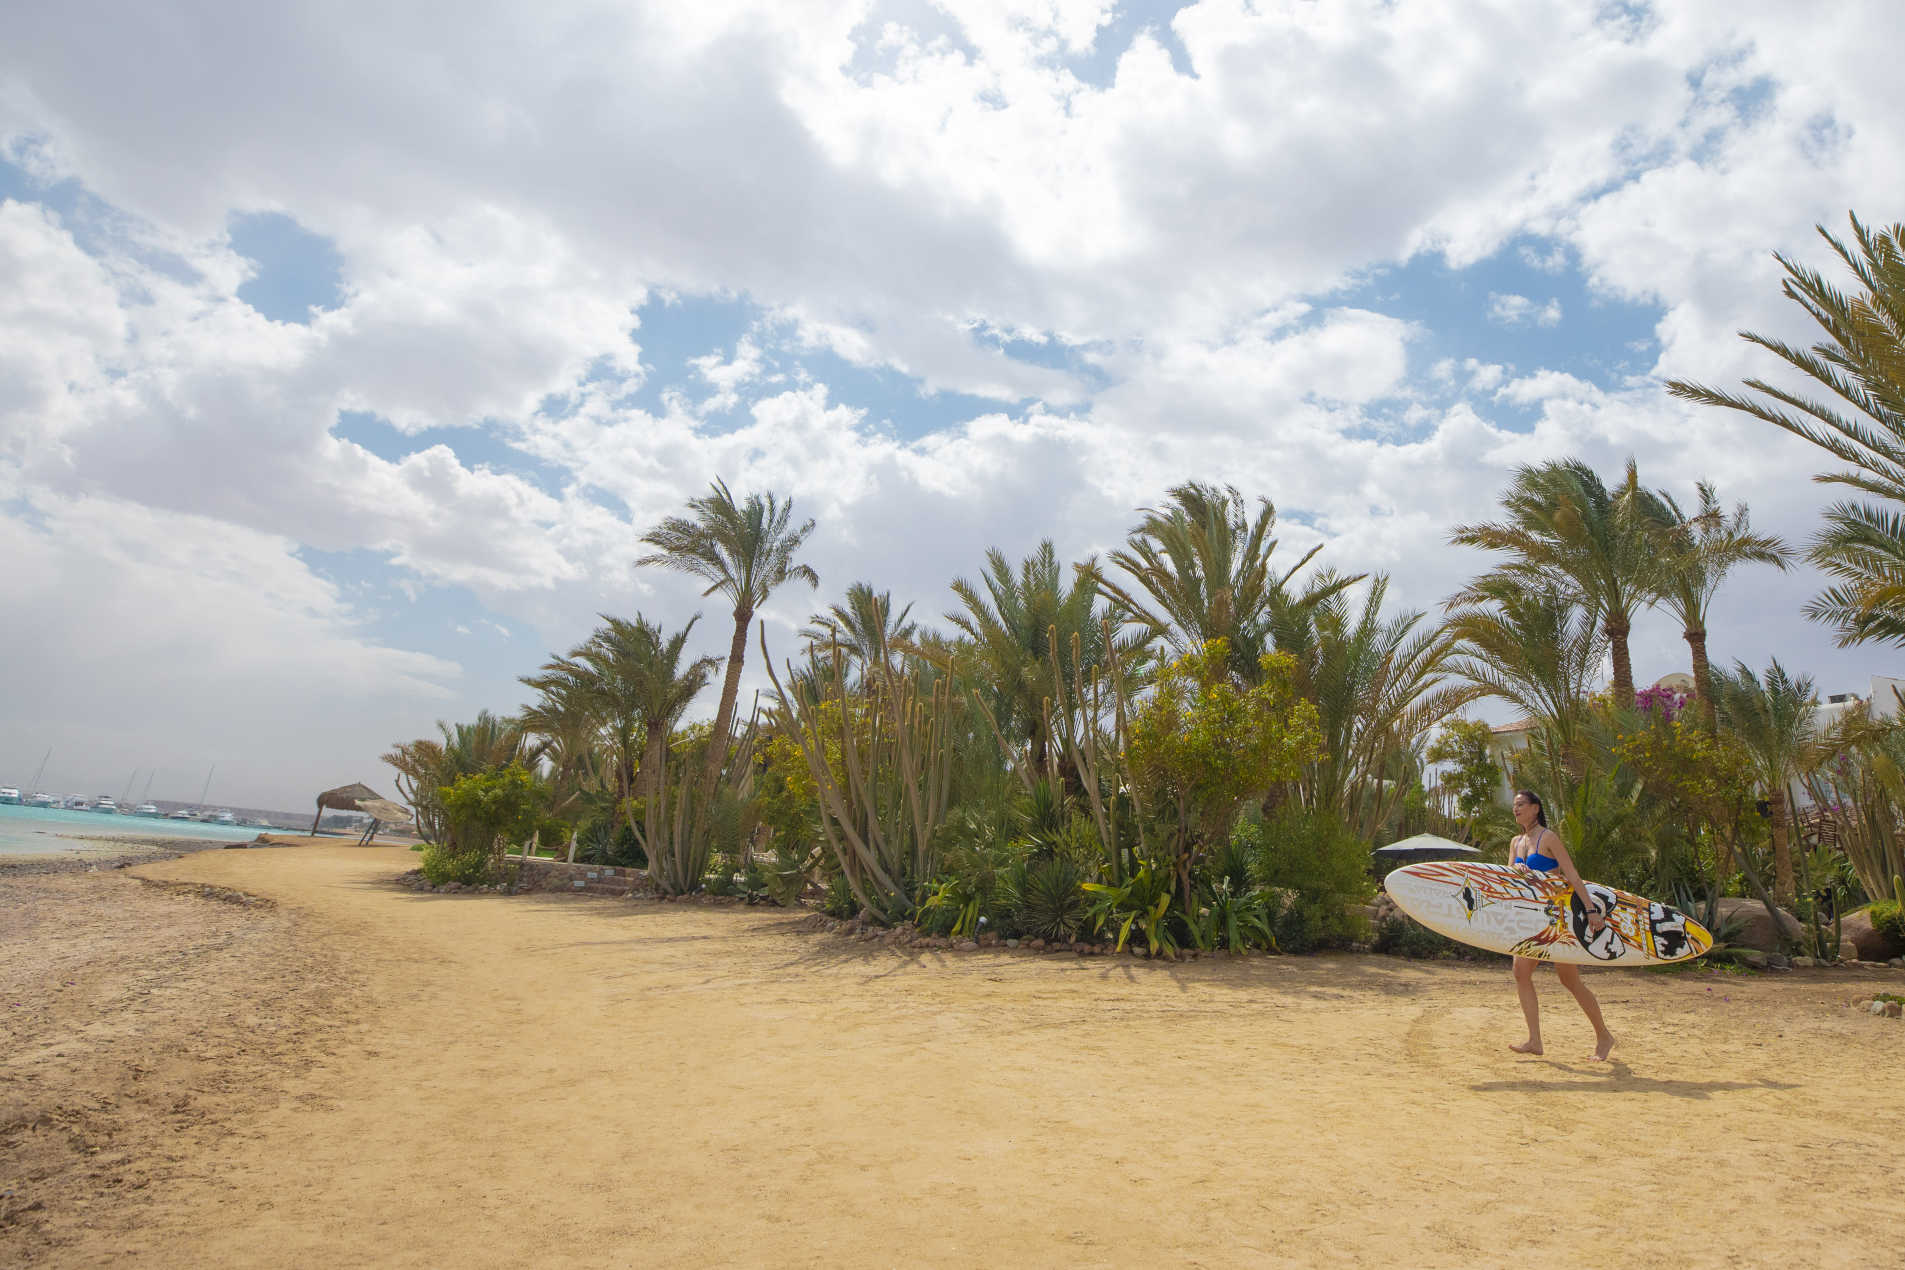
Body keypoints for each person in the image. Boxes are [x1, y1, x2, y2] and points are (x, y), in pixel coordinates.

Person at [1507, 790, 1617, 1061]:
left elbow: (1571, 874)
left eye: (1521, 805)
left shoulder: (1549, 838)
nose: (1516, 809)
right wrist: (1516, 875)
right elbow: (1508, 880)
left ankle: (1604, 1036)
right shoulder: (1515, 842)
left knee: (1569, 980)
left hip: (1556, 917)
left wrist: (1591, 909)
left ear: (1535, 808)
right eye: (1514, 806)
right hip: (1531, 918)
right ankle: (1534, 1040)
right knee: (1521, 972)